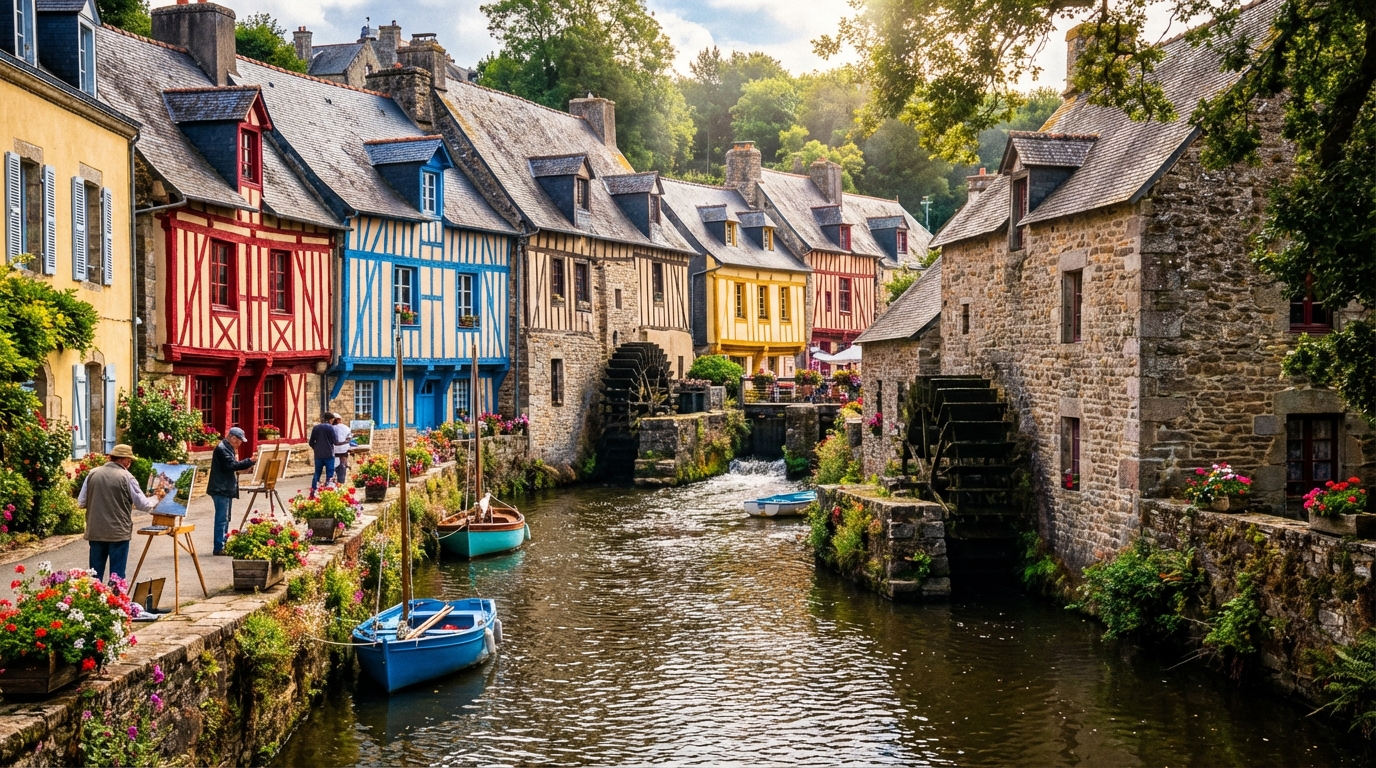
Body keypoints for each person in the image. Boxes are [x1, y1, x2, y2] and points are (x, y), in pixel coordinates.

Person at [77, 444, 165, 582]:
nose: (129, 463)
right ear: (125, 460)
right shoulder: (127, 477)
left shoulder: (92, 473)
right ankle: (116, 602)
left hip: (95, 531)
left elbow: (81, 502)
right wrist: (157, 498)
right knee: (117, 577)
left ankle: (95, 601)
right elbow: (144, 505)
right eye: (129, 460)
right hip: (118, 533)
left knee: (94, 576)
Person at [207, 427, 256, 556]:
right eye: (239, 441)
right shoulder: (222, 448)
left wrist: (246, 464)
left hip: (224, 487)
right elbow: (231, 465)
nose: (240, 444)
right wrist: (249, 461)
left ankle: (223, 543)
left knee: (226, 518)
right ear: (233, 437)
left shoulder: (227, 447)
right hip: (220, 488)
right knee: (222, 518)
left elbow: (232, 465)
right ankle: (219, 547)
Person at [309, 413, 346, 496]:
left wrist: (316, 448)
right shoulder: (331, 428)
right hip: (329, 454)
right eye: (332, 420)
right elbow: (335, 442)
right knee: (329, 474)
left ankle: (313, 491)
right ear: (330, 420)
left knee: (317, 473)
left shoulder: (316, 428)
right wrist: (346, 441)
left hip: (318, 455)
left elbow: (311, 442)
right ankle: (328, 491)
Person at [332, 413, 352, 485]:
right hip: (344, 450)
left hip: (334, 450)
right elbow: (349, 437)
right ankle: (341, 482)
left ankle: (334, 482)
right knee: (343, 464)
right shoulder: (346, 427)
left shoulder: (331, 428)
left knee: (334, 466)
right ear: (340, 420)